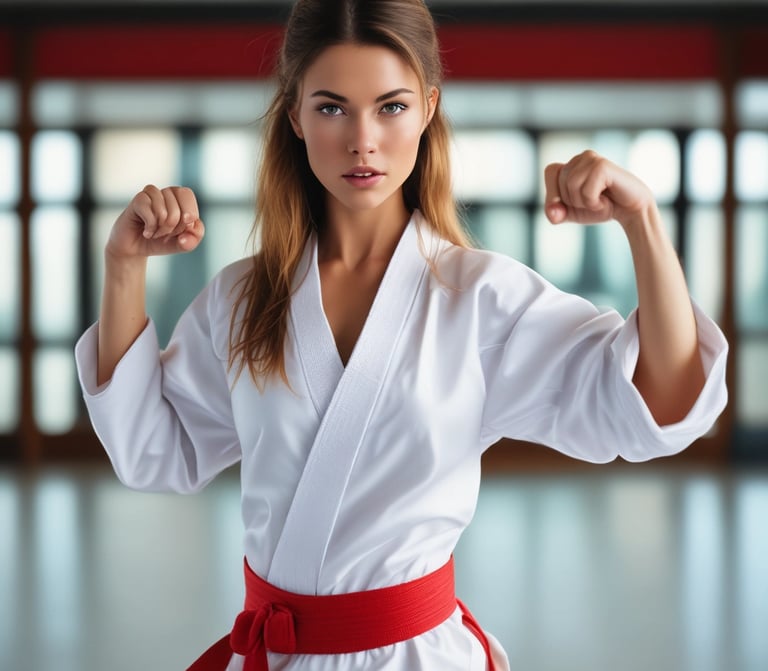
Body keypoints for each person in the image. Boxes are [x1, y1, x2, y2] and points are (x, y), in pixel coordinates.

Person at [74, 0, 729, 669]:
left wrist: (643, 223)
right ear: (295, 114)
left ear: (428, 108)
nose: (364, 139)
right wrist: (124, 266)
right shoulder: (243, 298)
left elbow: (661, 403)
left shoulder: (480, 297)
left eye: (391, 106)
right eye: (332, 107)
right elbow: (153, 451)